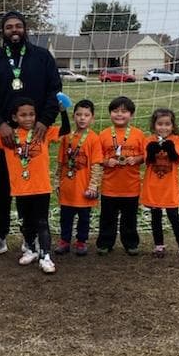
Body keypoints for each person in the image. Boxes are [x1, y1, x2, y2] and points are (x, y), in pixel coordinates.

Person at [0, 10, 62, 258]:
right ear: (3, 32)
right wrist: (0, 125)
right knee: (0, 186)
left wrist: (46, 120)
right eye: (8, 27)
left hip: (34, 136)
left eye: (18, 26)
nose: (14, 30)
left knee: (32, 188)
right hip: (3, 138)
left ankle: (31, 238)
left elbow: (54, 91)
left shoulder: (42, 57)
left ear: (25, 29)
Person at [0, 96, 69, 273]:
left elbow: (65, 130)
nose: (28, 118)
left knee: (42, 222)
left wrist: (63, 111)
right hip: (20, 188)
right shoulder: (9, 137)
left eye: (31, 114)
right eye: (23, 115)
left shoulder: (43, 132)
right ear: (14, 118)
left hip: (41, 186)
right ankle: (31, 250)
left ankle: (46, 256)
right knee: (25, 222)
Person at [141, 108, 179, 261]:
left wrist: (170, 149)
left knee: (174, 217)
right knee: (156, 216)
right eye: (160, 124)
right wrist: (152, 151)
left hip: (169, 187)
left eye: (167, 124)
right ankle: (159, 245)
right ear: (154, 126)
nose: (163, 128)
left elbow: (178, 159)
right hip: (153, 186)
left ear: (173, 126)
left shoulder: (178, 140)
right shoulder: (148, 140)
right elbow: (147, 161)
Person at [96, 95, 146, 256]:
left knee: (129, 219)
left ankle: (131, 243)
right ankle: (105, 243)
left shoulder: (138, 134)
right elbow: (97, 158)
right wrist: (106, 161)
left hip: (131, 187)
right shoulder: (103, 135)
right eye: (115, 111)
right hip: (109, 187)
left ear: (131, 115)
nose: (119, 115)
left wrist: (135, 159)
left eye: (124, 111)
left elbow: (145, 156)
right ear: (110, 113)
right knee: (107, 218)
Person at [54, 99, 103, 256]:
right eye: (79, 114)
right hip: (67, 187)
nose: (82, 118)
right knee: (65, 217)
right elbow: (60, 163)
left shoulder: (94, 139)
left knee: (84, 218)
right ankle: (64, 241)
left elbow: (97, 165)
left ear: (92, 118)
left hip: (84, 189)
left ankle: (81, 241)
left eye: (86, 115)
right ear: (73, 116)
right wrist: (57, 182)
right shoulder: (66, 137)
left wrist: (93, 186)